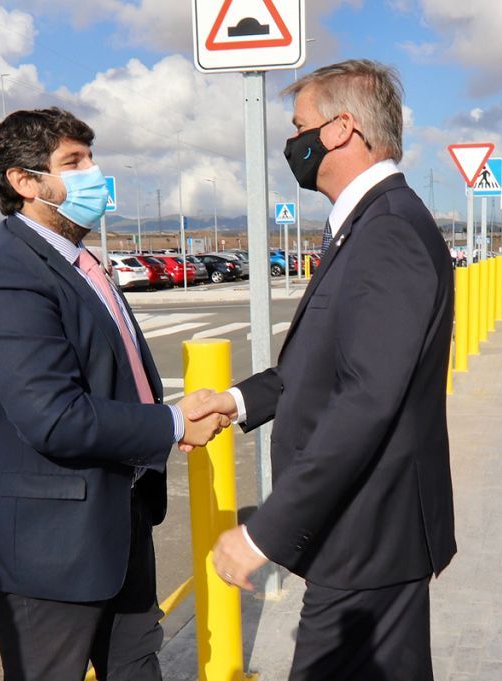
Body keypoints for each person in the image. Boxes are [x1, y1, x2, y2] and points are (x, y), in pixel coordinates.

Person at [0, 107, 226, 681]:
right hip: (47, 546)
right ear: (25, 182)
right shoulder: (6, 273)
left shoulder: (77, 259)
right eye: (74, 162)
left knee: (137, 665)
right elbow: (53, 418)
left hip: (118, 513)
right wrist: (171, 423)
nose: (95, 173)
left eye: (91, 157)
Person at [187, 60, 456, 680]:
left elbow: (367, 400)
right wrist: (236, 401)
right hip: (364, 537)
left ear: (339, 131)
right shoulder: (366, 225)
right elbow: (321, 370)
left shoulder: (387, 231)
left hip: (370, 537)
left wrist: (262, 533)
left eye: (300, 125)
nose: (294, 142)